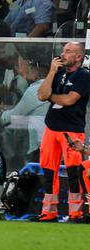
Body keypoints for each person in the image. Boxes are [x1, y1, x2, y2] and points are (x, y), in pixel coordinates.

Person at [34, 42, 90, 222]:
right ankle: (49, 212)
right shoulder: (57, 73)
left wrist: (51, 96)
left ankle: (76, 213)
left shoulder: (84, 76)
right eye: (63, 50)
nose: (63, 54)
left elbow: (69, 100)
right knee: (49, 172)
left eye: (68, 51)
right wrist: (51, 72)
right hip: (51, 129)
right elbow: (41, 95)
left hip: (71, 131)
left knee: (74, 172)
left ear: (79, 57)